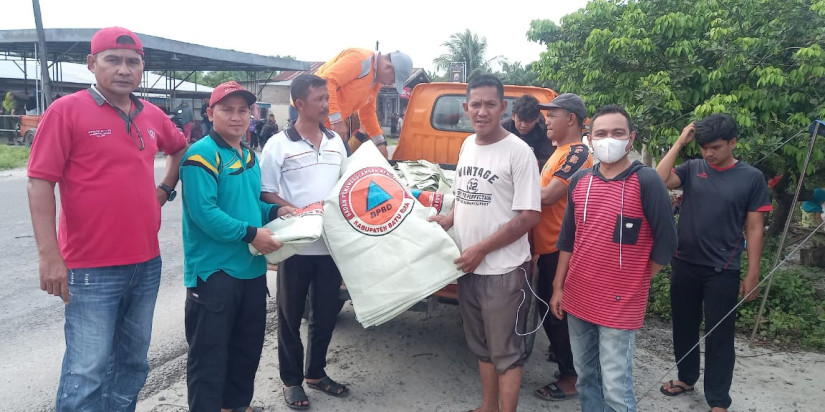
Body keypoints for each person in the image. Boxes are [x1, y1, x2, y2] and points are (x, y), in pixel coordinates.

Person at [26, 26, 188, 411]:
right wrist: (50, 257)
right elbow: (38, 183)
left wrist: (164, 189)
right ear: (91, 64)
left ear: (142, 67)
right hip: (89, 269)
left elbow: (179, 149)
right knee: (87, 371)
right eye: (112, 60)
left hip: (146, 265)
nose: (123, 69)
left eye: (133, 62)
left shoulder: (151, 114)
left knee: (132, 364)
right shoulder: (65, 112)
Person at [549, 105, 677, 412]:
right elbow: (568, 238)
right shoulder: (580, 180)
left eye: (617, 133)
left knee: (616, 387)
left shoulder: (646, 181)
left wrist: (640, 278)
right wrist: (558, 286)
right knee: (586, 377)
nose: (609, 139)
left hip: (621, 303)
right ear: (590, 139)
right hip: (578, 296)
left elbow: (667, 242)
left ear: (630, 139)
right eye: (602, 133)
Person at [431, 74, 541, 412]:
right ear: (466, 108)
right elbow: (464, 192)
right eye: (475, 104)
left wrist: (481, 249)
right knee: (480, 345)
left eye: (490, 104)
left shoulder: (518, 152)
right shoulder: (466, 144)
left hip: (503, 270)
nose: (482, 111)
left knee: (506, 350)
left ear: (502, 107)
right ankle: (488, 406)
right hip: (469, 267)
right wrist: (450, 219)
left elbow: (528, 217)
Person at [180, 81, 285, 411]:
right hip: (214, 274)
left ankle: (236, 405)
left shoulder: (249, 156)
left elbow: (252, 205)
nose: (237, 117)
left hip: (251, 270)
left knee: (246, 349)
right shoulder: (200, 155)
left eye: (243, 110)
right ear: (210, 114)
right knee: (209, 357)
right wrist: (253, 234)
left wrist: (278, 211)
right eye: (227, 110)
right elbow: (205, 213)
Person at [655, 114, 771, 412]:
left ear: (733, 142)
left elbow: (755, 227)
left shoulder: (752, 178)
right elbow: (658, 180)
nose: (709, 153)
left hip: (723, 269)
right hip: (685, 263)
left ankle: (718, 400)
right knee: (683, 326)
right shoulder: (694, 168)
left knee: (720, 336)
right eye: (705, 147)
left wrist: (753, 272)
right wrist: (681, 142)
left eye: (716, 147)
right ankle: (686, 377)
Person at [260, 73, 349, 410]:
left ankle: (316, 373)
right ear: (299, 104)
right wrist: (294, 211)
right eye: (320, 100)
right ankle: (291, 381)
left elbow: (346, 186)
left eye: (327, 98)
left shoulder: (335, 141)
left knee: (325, 313)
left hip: (329, 245)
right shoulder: (278, 145)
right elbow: (265, 189)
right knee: (290, 315)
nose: (326, 105)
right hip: (295, 247)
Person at [532, 93, 593, 402]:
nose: (547, 120)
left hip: (562, 249)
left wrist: (509, 183)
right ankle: (568, 367)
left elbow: (549, 195)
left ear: (571, 119)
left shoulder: (578, 153)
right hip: (548, 246)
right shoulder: (560, 152)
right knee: (549, 312)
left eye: (552, 115)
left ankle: (572, 378)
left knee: (558, 314)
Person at [315, 48, 413, 159]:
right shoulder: (360, 59)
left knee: (344, 162)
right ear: (388, 67)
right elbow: (326, 82)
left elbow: (368, 113)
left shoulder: (375, 82)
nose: (392, 84)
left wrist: (380, 143)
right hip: (308, 115)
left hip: (328, 125)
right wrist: (336, 120)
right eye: (394, 80)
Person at [501, 94, 556, 170]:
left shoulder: (545, 131)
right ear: (513, 116)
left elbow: (548, 160)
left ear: (537, 119)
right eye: (520, 120)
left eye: (528, 121)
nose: (523, 125)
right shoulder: (502, 128)